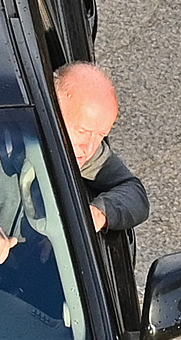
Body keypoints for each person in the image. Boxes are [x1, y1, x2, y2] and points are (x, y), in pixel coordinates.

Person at [53, 61, 149, 235]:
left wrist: (99, 213)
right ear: (54, 112)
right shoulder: (2, 152)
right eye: (82, 131)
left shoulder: (88, 152)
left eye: (101, 135)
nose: (89, 147)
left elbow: (133, 191)